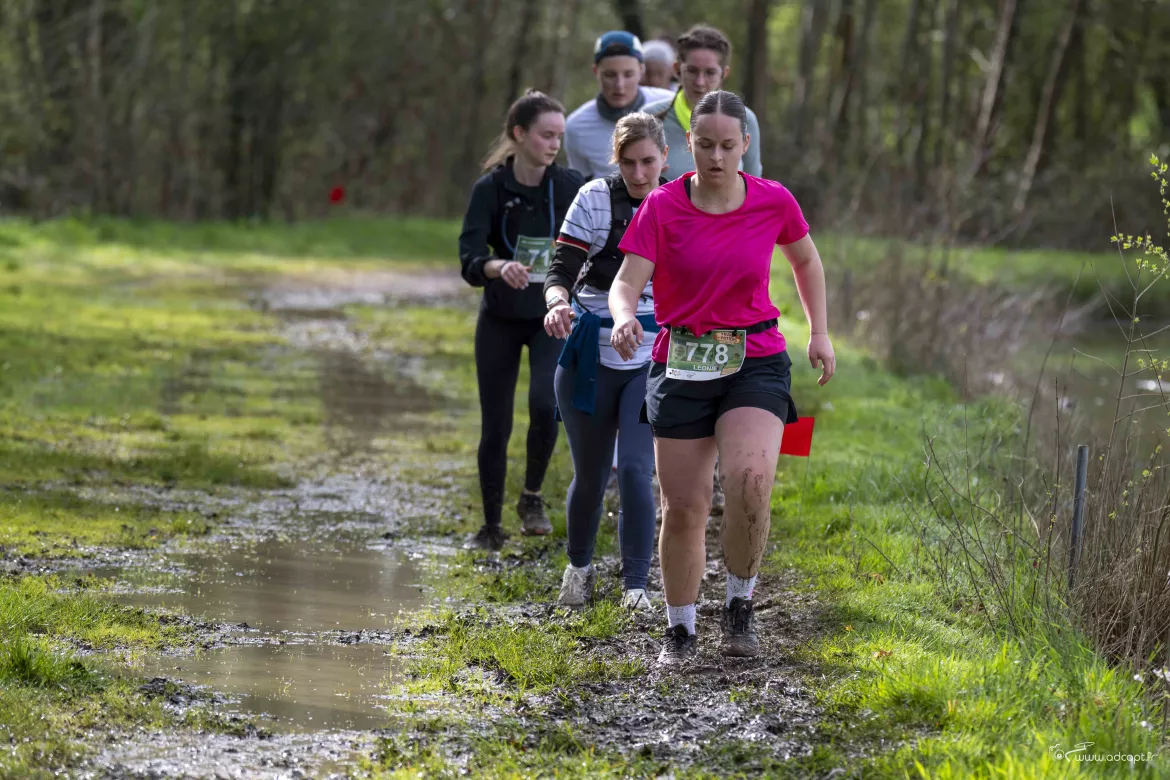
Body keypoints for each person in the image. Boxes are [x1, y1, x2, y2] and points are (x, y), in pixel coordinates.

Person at [608, 90, 835, 665]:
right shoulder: (661, 207)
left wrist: (819, 332)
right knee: (684, 506)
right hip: (682, 359)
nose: (716, 157)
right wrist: (624, 316)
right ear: (688, 143)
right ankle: (680, 631)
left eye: (728, 146)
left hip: (755, 355)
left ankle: (738, 607)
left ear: (744, 145)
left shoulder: (772, 200)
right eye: (705, 145)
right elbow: (627, 280)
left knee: (751, 483)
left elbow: (806, 259)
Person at [544, 112, 668, 612]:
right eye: (628, 163)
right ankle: (578, 570)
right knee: (592, 475)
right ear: (615, 160)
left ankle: (635, 586)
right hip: (589, 356)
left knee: (637, 470)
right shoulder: (593, 198)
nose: (639, 174)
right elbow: (560, 270)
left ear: (665, 157)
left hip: (650, 357)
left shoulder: (678, 203)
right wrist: (557, 303)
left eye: (648, 162)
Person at [458, 90, 586, 551]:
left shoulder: (569, 186)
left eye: (559, 136)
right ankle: (491, 526)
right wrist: (498, 267)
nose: (554, 144)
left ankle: (531, 498)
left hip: (550, 316)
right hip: (500, 316)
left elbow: (592, 241)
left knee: (545, 403)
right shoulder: (490, 189)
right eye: (546, 135)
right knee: (496, 424)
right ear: (520, 134)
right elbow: (470, 257)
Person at [643, 25, 762, 180]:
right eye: (692, 71)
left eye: (710, 73)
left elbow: (754, 185)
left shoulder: (745, 119)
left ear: (724, 73)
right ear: (677, 69)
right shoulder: (649, 118)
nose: (700, 82)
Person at [563, 31, 675, 180]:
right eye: (610, 75)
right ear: (596, 71)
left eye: (628, 74)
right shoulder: (576, 126)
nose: (619, 85)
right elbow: (581, 181)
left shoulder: (670, 104)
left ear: (641, 71)